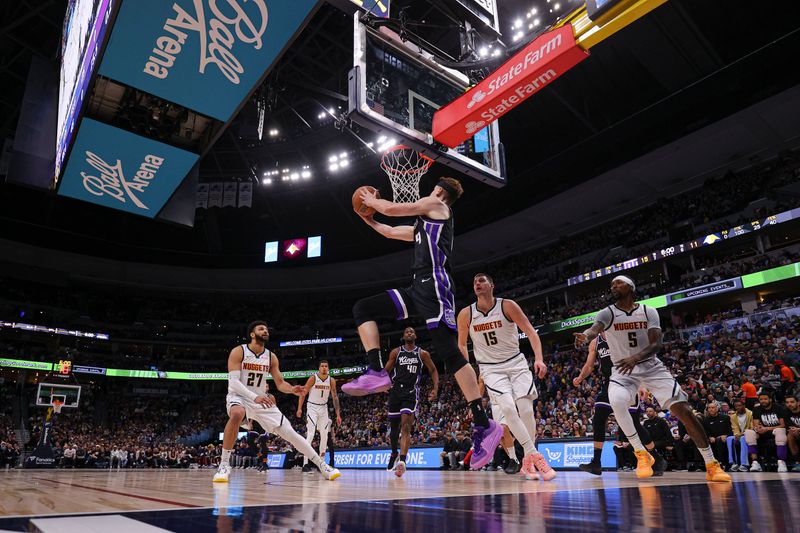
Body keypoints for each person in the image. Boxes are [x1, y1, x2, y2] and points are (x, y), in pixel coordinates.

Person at [343, 178, 503, 469]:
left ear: (440, 191)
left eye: (433, 187)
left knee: (449, 353)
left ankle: (484, 423)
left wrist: (369, 198)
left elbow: (390, 211)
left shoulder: (437, 205)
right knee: (363, 308)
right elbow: (389, 230)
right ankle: (377, 370)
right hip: (417, 287)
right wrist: (367, 218)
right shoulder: (422, 225)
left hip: (436, 285)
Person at [573, 275, 731, 482]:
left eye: (617, 283)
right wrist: (586, 337)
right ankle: (641, 453)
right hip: (622, 370)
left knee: (683, 411)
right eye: (611, 285)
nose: (613, 287)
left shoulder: (649, 311)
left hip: (651, 367)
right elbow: (594, 329)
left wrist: (635, 357)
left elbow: (656, 344)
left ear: (630, 286)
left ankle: (712, 465)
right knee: (617, 401)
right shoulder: (608, 312)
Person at [213, 321, 341, 482]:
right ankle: (224, 465)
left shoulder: (271, 357)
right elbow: (233, 383)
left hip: (261, 401)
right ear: (252, 334)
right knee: (237, 413)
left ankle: (322, 466)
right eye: (261, 329)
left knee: (291, 434)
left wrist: (292, 389)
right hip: (239, 396)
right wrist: (254, 396)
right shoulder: (239, 352)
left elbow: (280, 383)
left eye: (266, 329)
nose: (265, 331)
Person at [457, 273, 555, 481]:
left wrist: (539, 358)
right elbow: (462, 344)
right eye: (474, 281)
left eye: (482, 280)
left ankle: (527, 460)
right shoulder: (466, 314)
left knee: (527, 409)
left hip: (516, 363)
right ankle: (535, 456)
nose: (477, 283)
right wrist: (467, 368)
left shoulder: (507, 306)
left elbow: (530, 331)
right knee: (508, 409)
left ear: (492, 285)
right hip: (491, 369)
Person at [574, 333, 666, 476]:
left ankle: (657, 458)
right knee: (598, 419)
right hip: (608, 384)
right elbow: (589, 365)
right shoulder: (596, 342)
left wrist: (642, 385)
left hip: (628, 382)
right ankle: (596, 463)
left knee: (634, 424)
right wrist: (580, 377)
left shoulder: (622, 336)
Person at [384, 327, 439, 477]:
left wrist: (435, 388)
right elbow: (386, 371)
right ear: (403, 336)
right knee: (394, 429)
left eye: (412, 332)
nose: (409, 333)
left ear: (415, 336)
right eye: (406, 331)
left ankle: (402, 461)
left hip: (410, 392)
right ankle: (394, 453)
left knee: (406, 427)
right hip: (395, 391)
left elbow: (433, 370)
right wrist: (382, 383)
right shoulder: (396, 352)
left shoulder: (422, 354)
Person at [297, 360, 341, 473]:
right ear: (319, 368)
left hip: (323, 408)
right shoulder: (313, 378)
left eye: (326, 366)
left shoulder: (331, 380)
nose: (324, 368)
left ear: (328, 368)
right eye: (322, 366)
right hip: (312, 407)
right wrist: (299, 408)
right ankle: (305, 463)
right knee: (310, 434)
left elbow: (335, 397)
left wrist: (338, 414)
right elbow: (303, 393)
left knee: (325, 435)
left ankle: (321, 463)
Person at [478, 375, 521, 475]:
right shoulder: (483, 371)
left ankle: (515, 460)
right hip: (495, 405)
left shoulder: (501, 363)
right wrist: (477, 406)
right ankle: (514, 460)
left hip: (508, 399)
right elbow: (481, 385)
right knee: (501, 436)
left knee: (504, 428)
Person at [745, 390, 788, 473]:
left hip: (774, 431)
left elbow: (783, 425)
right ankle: (755, 462)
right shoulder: (757, 409)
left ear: (770, 400)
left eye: (765, 399)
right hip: (763, 432)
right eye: (761, 399)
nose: (763, 401)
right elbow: (756, 425)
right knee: (749, 432)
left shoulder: (779, 408)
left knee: (780, 431)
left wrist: (766, 428)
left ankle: (781, 462)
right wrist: (759, 428)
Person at [702, 402, 732, 468]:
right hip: (713, 439)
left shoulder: (725, 418)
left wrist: (726, 435)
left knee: (719, 440)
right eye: (709, 408)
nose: (711, 409)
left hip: (724, 437)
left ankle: (722, 462)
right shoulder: (705, 420)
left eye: (712, 407)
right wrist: (709, 437)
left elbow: (730, 429)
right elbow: (705, 432)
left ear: (717, 409)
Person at [727, 399, 753, 471]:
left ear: (744, 405)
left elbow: (752, 427)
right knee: (729, 438)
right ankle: (734, 463)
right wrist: (737, 435)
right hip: (739, 435)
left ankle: (744, 464)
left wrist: (741, 434)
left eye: (739, 405)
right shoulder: (733, 416)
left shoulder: (750, 414)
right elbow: (734, 428)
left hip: (749, 434)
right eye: (736, 406)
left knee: (743, 438)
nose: (738, 407)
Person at [785, 395, 800, 471]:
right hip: (795, 433)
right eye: (787, 402)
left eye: (792, 402)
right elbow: (788, 426)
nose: (789, 404)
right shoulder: (786, 412)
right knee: (790, 435)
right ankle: (797, 462)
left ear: (798, 403)